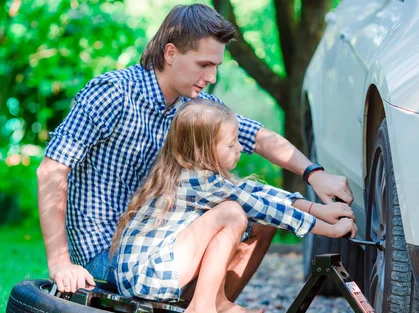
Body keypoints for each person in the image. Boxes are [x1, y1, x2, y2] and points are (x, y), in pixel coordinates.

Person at [37, 3, 354, 297]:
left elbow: (257, 137)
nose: (211, 77)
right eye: (204, 64)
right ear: (171, 53)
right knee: (233, 210)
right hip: (104, 256)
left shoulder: (197, 107)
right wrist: (61, 263)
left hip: (159, 244)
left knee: (263, 218)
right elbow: (52, 170)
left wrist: (315, 175)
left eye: (216, 66)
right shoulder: (112, 95)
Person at [110, 99, 357, 313]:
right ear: (199, 151)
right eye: (231, 144)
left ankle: (215, 301)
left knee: (237, 207)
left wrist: (318, 210)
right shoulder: (199, 181)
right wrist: (331, 230)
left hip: (147, 273)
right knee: (232, 212)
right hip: (147, 277)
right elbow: (263, 208)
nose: (240, 148)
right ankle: (201, 308)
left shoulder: (198, 176)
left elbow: (260, 193)